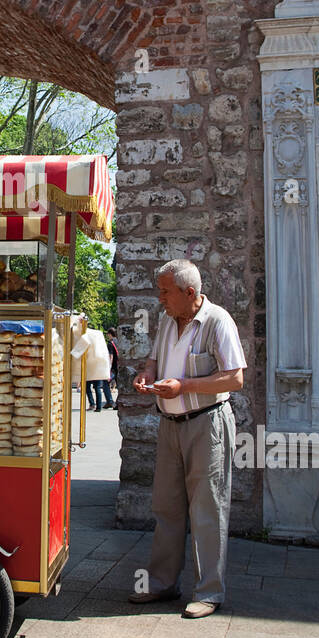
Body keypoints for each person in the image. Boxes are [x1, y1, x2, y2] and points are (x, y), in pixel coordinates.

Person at [129, 260, 245, 619]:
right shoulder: (166, 321)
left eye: (165, 291)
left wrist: (184, 386)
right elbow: (153, 360)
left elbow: (234, 378)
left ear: (189, 293)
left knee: (207, 508)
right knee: (166, 506)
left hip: (207, 425)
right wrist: (147, 374)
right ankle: (162, 583)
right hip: (170, 424)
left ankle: (209, 591)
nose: (160, 298)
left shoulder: (217, 321)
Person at [106, 329, 119, 406]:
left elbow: (111, 356)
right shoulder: (118, 341)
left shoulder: (110, 343)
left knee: (105, 383)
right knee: (118, 383)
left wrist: (109, 367)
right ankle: (118, 401)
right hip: (118, 365)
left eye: (107, 334)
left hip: (113, 366)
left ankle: (109, 401)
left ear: (110, 334)